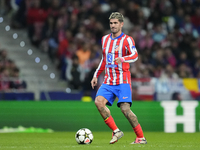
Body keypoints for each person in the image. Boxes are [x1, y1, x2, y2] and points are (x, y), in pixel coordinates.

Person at [91, 12, 147, 144]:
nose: (113, 25)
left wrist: (123, 58)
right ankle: (116, 131)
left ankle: (140, 137)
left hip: (123, 81)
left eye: (116, 23)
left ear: (121, 24)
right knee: (98, 102)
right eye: (111, 23)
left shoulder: (127, 39)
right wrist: (95, 75)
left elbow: (135, 55)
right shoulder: (105, 39)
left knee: (125, 110)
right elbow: (104, 60)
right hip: (108, 81)